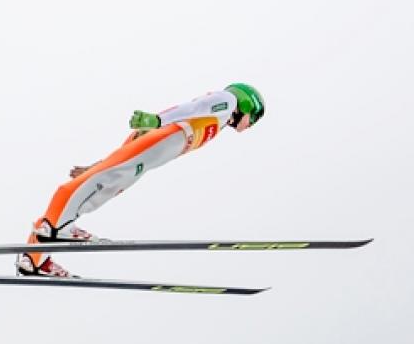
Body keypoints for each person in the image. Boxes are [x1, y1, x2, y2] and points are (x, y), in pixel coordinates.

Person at [16, 83, 265, 277]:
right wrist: (156, 120)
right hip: (163, 138)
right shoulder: (227, 101)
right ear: (248, 104)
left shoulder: (220, 121)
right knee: (101, 181)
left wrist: (99, 164)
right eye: (253, 118)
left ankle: (33, 259)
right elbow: (192, 109)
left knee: (109, 185)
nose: (250, 125)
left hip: (158, 148)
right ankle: (55, 227)